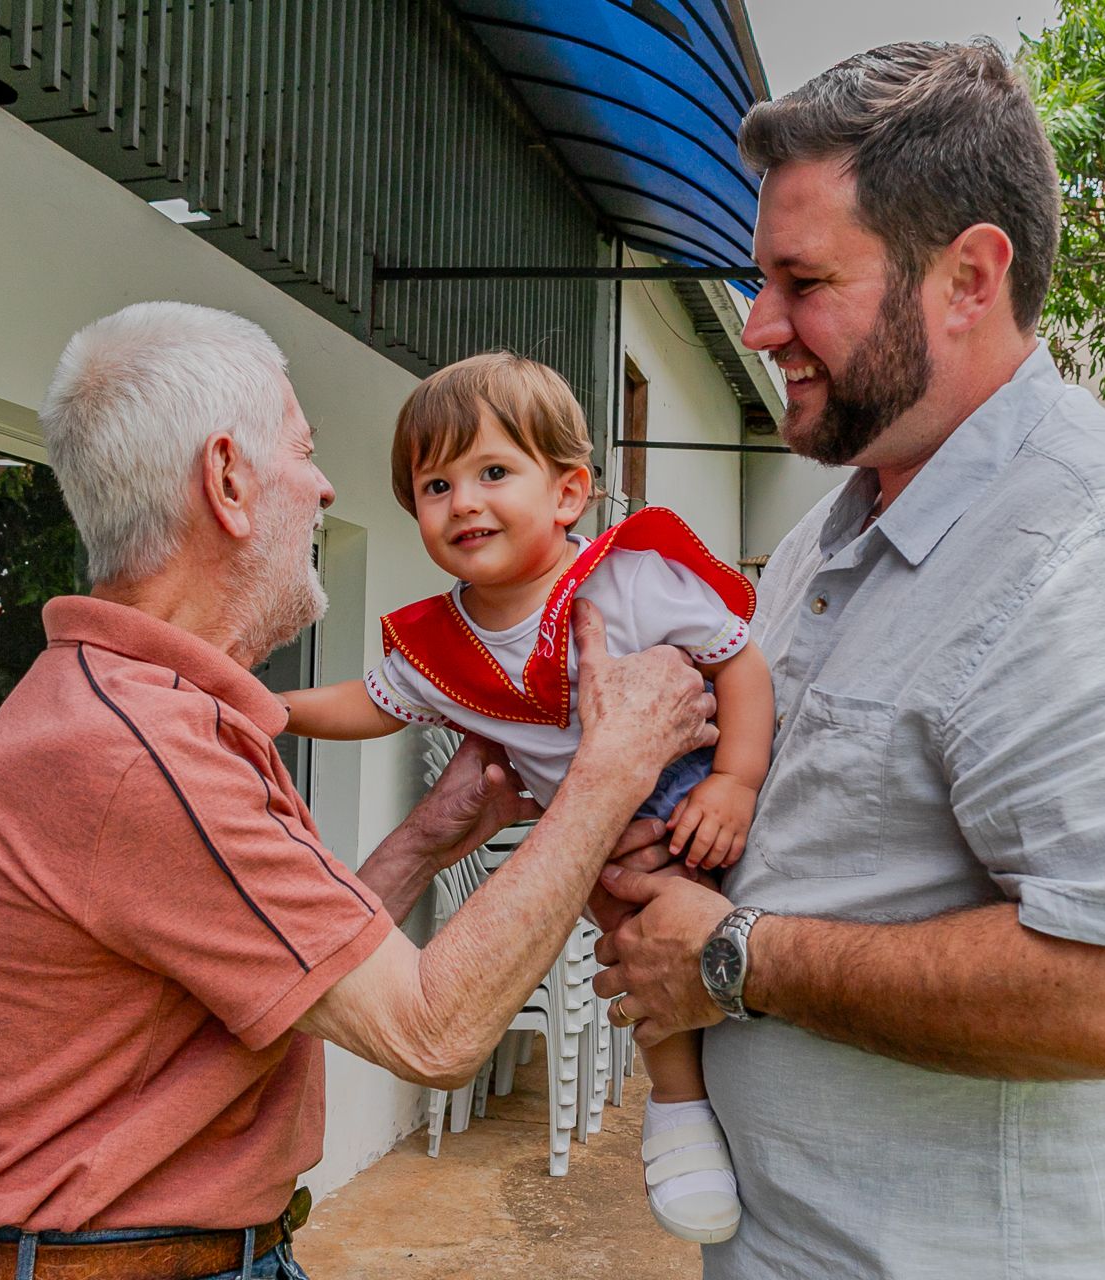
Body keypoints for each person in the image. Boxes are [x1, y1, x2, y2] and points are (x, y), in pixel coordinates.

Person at [589, 40, 1105, 1280]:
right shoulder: (823, 537)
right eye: (761, 280)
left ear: (969, 277)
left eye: (804, 281)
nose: (762, 325)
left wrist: (734, 957)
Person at [0, 301, 716, 1280]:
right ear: (229, 481)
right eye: (305, 451)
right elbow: (431, 1028)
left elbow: (288, 970)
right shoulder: (138, 752)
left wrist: (426, 838)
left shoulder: (148, 710)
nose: (325, 487)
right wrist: (611, 770)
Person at [280, 351, 775, 1243]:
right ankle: (679, 1106)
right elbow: (367, 704)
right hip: (601, 848)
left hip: (704, 799)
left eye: (493, 473)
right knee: (640, 950)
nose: (463, 502)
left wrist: (735, 781)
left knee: (754, 949)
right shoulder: (442, 645)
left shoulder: (625, 580)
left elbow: (739, 663)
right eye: (436, 486)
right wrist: (267, 708)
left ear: (568, 492)